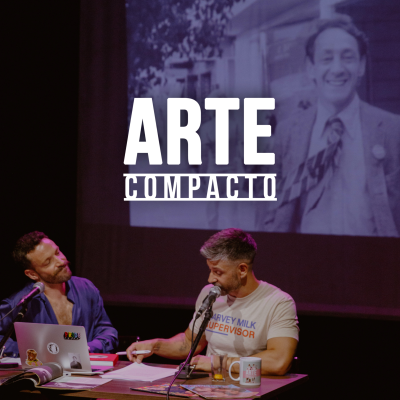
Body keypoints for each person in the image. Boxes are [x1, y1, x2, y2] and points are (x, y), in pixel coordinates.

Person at [267, 19, 400, 236]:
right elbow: (270, 210)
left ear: (361, 65)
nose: (337, 69)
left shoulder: (393, 131)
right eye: (327, 59)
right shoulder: (287, 133)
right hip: (305, 257)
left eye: (348, 58)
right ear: (311, 68)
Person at [126, 228, 299, 376]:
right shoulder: (210, 294)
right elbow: (189, 343)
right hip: (209, 388)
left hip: (250, 390)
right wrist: (155, 346)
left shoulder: (278, 303)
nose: (210, 279)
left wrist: (217, 363)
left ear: (242, 269)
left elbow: (279, 362)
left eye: (218, 272)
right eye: (210, 270)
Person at [0, 231, 118, 357]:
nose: (61, 261)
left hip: (87, 368)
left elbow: (106, 331)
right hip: (44, 369)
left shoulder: (86, 288)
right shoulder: (21, 302)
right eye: (48, 262)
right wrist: (32, 351)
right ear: (32, 274)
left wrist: (89, 348)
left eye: (57, 252)